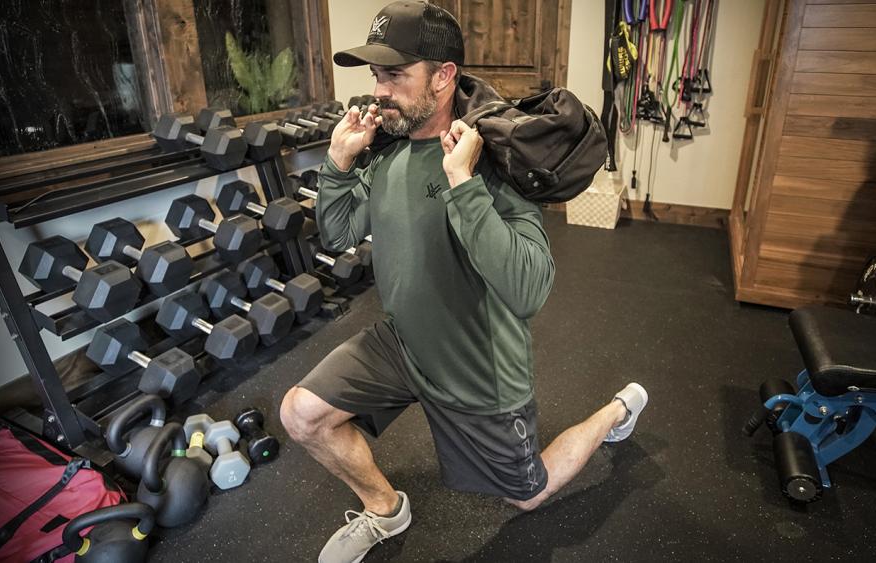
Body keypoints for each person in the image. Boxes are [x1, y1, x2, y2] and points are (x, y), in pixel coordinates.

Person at [278, 2, 648, 561]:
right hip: (403, 344)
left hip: (480, 368)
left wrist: (462, 184)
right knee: (301, 414)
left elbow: (529, 292)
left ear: (444, 76)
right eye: (376, 75)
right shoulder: (386, 149)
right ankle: (384, 508)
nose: (379, 90)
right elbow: (337, 234)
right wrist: (336, 164)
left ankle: (617, 411)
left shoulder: (494, 160)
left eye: (396, 74)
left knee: (527, 495)